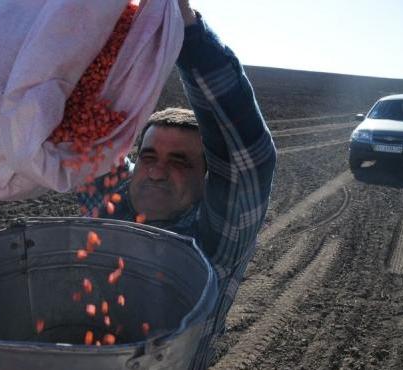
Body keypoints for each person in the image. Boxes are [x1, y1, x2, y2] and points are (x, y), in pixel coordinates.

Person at [77, 1, 277, 368]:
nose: (156, 171)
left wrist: (187, 33)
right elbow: (79, 124)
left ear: (206, 179)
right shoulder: (112, 201)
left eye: (180, 161)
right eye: (149, 156)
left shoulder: (212, 242)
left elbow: (248, 158)